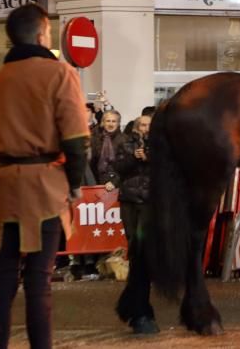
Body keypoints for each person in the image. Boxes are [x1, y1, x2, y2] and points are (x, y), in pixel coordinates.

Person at [0, 5, 89, 349]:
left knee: (4, 277)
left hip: (0, 187)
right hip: (42, 186)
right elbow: (75, 139)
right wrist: (74, 184)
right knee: (39, 280)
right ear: (43, 34)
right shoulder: (59, 73)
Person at [113, 114, 158, 334]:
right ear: (136, 126)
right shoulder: (124, 143)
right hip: (131, 201)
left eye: (148, 125)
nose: (144, 128)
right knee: (135, 247)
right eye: (142, 125)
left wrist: (149, 158)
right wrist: (134, 158)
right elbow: (118, 166)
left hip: (150, 201)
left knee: (146, 249)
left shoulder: (159, 145)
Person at [91, 110, 124, 191]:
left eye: (114, 121)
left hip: (115, 184)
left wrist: (114, 182)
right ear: (103, 122)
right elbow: (91, 162)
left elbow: (126, 166)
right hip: (96, 181)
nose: (110, 124)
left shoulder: (125, 140)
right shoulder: (95, 139)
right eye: (108, 121)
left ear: (118, 123)